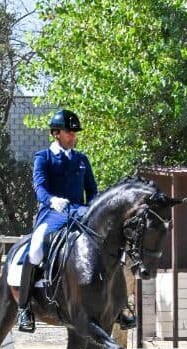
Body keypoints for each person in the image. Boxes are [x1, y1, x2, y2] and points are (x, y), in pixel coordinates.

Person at [16, 109, 136, 333]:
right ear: (56, 133)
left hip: (80, 212)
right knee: (35, 250)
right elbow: (39, 188)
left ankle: (119, 307)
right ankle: (24, 308)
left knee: (106, 243)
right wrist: (51, 201)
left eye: (74, 133)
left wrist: (93, 208)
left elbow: (91, 190)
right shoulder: (43, 158)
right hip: (52, 212)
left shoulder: (82, 160)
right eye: (69, 133)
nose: (73, 137)